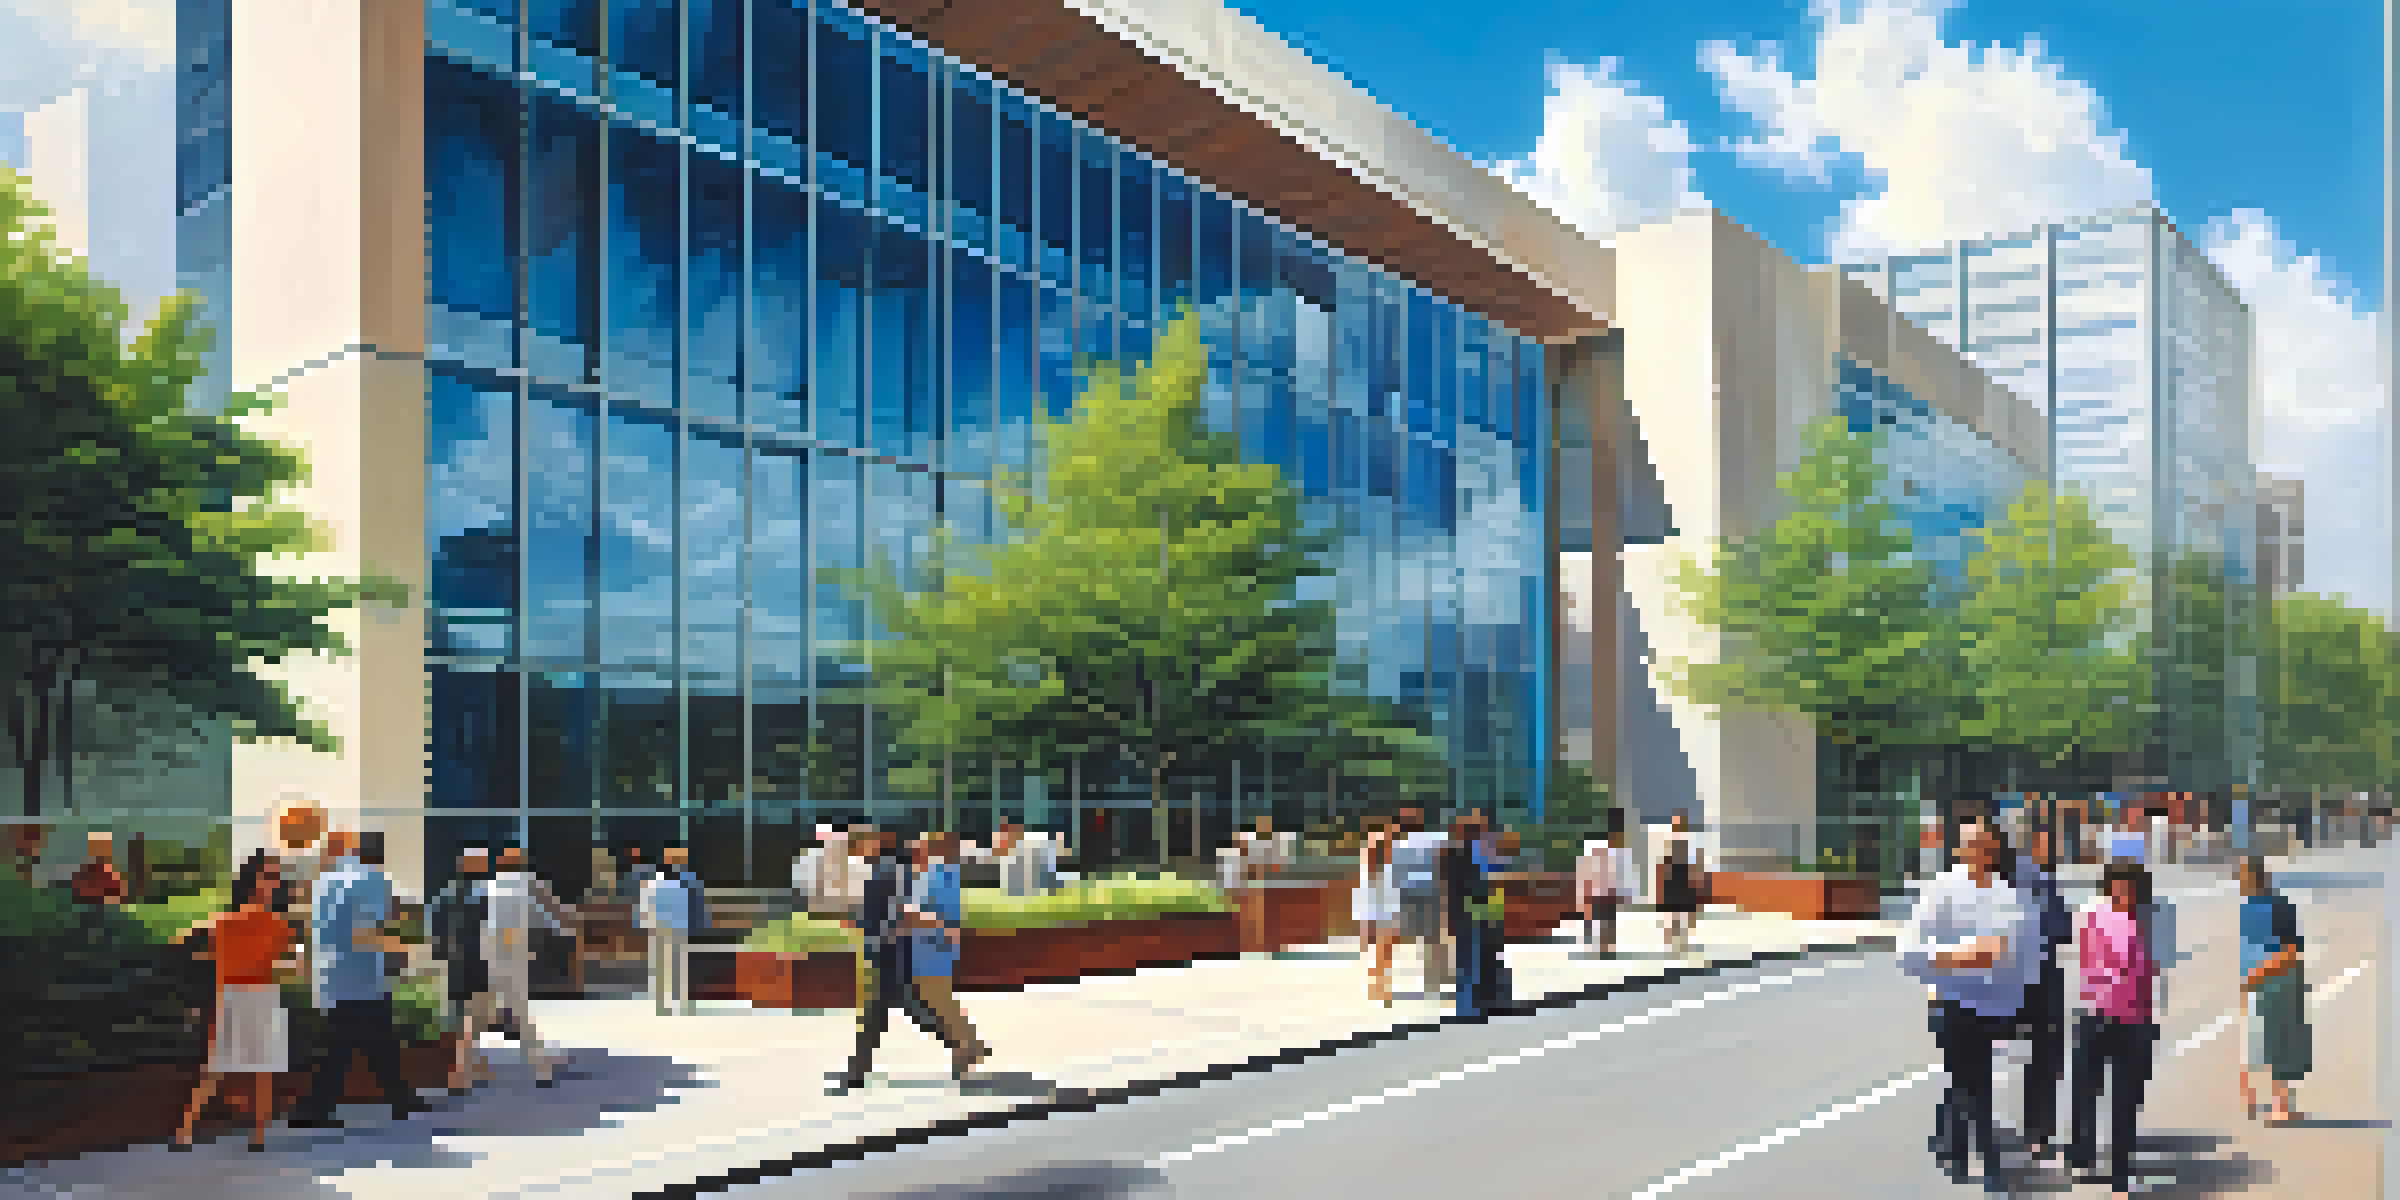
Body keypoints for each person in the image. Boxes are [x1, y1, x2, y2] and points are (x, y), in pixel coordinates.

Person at [1899, 818, 2031, 1194]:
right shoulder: (1940, 890)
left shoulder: (2006, 894)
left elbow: (2004, 953)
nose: (1976, 851)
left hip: (1990, 1004)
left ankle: (1958, 1154)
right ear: (1959, 849)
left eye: (1983, 845)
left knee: (1971, 1081)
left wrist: (1958, 958)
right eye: (1969, 844)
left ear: (1992, 849)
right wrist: (1962, 956)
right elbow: (1912, 949)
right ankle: (1986, 1166)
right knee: (1972, 1083)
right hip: (1948, 1003)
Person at [287, 831, 427, 1129]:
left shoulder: (326, 880)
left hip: (330, 976)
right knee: (346, 1045)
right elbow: (364, 931)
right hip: (362, 975)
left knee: (377, 1040)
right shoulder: (373, 880)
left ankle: (401, 1098)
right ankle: (312, 1110)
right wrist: (402, 948)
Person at [172, 851, 302, 1151]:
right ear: (252, 881)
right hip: (243, 997)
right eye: (268, 876)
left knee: (258, 1070)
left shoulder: (254, 923)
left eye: (275, 877)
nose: (273, 883)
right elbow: (292, 965)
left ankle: (253, 1135)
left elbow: (198, 949)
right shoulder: (256, 923)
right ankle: (189, 1130)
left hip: (251, 997)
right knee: (225, 1070)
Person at [2068, 861, 2165, 1198]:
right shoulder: (2093, 914)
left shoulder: (2150, 919)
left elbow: (2155, 969)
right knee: (2084, 1091)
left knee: (2125, 1102)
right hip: (2095, 1015)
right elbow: (2092, 963)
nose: (2123, 893)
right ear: (2107, 887)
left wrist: (2149, 1019)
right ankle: (2083, 1156)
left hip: (2134, 1021)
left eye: (2129, 887)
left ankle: (2121, 1177)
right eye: (2117, 887)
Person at [830, 830, 951, 1092]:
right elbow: (871, 910)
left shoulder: (891, 871)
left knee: (880, 1012)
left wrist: (886, 933)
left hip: (889, 951)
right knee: (905, 1008)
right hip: (882, 949)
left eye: (858, 845)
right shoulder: (877, 871)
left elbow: (898, 911)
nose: (855, 851)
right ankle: (960, 1042)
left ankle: (857, 1070)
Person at [483, 844, 570, 1086]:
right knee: (506, 1009)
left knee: (493, 1010)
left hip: (498, 954)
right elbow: (546, 917)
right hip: (513, 953)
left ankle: (542, 1063)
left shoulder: (494, 886)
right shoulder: (526, 888)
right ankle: (542, 1062)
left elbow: (487, 922)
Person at [908, 832, 991, 1080]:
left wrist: (906, 916)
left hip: (933, 946)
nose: (914, 850)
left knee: (938, 1001)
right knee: (940, 999)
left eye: (920, 845)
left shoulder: (936, 876)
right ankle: (970, 1044)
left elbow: (933, 915)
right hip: (932, 945)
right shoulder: (941, 874)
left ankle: (964, 1049)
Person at [2014, 826, 2074, 1164]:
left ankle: (2036, 1133)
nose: (2055, 851)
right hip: (2033, 980)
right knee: (2045, 1058)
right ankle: (2037, 1134)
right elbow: (2061, 930)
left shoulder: (2033, 878)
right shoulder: (2039, 881)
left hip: (2014, 980)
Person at [2236, 856, 2311, 1124]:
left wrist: (2249, 977)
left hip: (2259, 980)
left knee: (2257, 1042)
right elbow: (2292, 951)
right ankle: (2276, 1106)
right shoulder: (2275, 906)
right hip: (2274, 980)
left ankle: (2255, 1101)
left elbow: (2272, 949)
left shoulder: (2253, 908)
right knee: (2277, 1044)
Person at [428, 847, 497, 1093]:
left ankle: (469, 1066)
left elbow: (433, 927)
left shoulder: (446, 894)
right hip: (478, 963)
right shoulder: (485, 893)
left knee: (461, 1019)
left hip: (454, 963)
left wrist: (439, 956)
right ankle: (461, 1073)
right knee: (474, 1019)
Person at [640, 845, 710, 1017]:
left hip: (680, 927)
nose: (677, 860)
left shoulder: (689, 879)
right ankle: (664, 1003)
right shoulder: (657, 879)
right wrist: (648, 925)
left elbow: (697, 903)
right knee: (663, 967)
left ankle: (682, 1002)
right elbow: (647, 903)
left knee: (680, 966)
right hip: (662, 928)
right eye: (674, 856)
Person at [1390, 808, 1451, 999]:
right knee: (1435, 936)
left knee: (1426, 938)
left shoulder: (1398, 846)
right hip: (1432, 893)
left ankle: (1433, 978)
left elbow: (1396, 877)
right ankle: (1438, 975)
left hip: (1411, 895)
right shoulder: (1435, 838)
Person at [1442, 813, 1494, 1018]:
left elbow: (1446, 888)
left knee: (1466, 963)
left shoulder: (1451, 854)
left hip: (1461, 914)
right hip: (1472, 914)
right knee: (1471, 962)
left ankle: (1467, 1006)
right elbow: (1478, 887)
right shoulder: (1473, 854)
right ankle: (1470, 1007)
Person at [1351, 817, 1400, 1006]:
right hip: (1380, 904)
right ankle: (1380, 986)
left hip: (1382, 904)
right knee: (1383, 949)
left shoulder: (1377, 854)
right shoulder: (1378, 853)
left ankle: (1380, 985)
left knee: (1383, 949)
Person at [1655, 813, 1705, 958]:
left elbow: (1696, 864)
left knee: (1685, 912)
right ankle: (1672, 943)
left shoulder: (1690, 842)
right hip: (1673, 878)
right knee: (1673, 912)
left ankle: (1682, 943)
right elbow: (1662, 864)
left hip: (1684, 877)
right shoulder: (1669, 842)